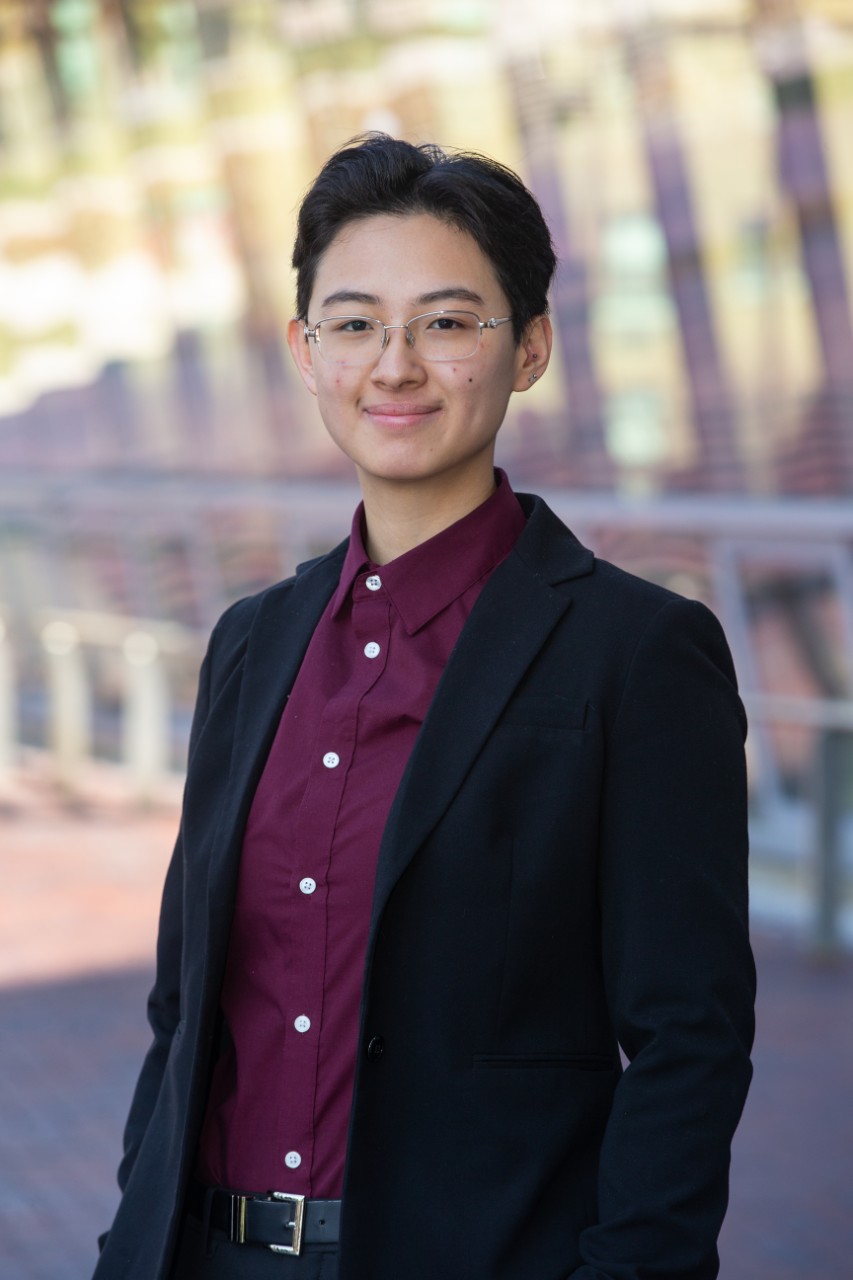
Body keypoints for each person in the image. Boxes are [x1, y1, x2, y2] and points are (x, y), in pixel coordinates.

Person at [93, 134, 755, 1280]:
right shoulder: (252, 643)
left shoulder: (636, 653)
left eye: (448, 322)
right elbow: (184, 1003)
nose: (394, 364)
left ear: (530, 347)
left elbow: (690, 1036)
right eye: (353, 323)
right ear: (306, 352)